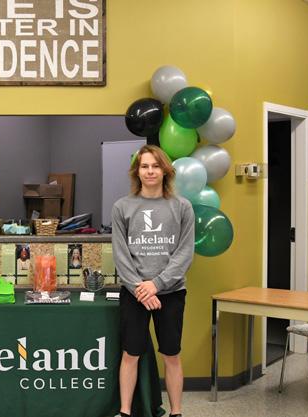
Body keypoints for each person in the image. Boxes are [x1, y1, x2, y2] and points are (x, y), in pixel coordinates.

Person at [111, 145, 194, 417]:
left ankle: (176, 412)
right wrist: (140, 288)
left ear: (165, 170)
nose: (150, 171)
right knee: (130, 354)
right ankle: (125, 411)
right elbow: (121, 255)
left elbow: (185, 253)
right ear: (137, 171)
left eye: (155, 166)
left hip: (171, 293)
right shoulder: (122, 207)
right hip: (134, 293)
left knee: (171, 354)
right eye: (144, 166)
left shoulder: (182, 207)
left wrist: (156, 284)